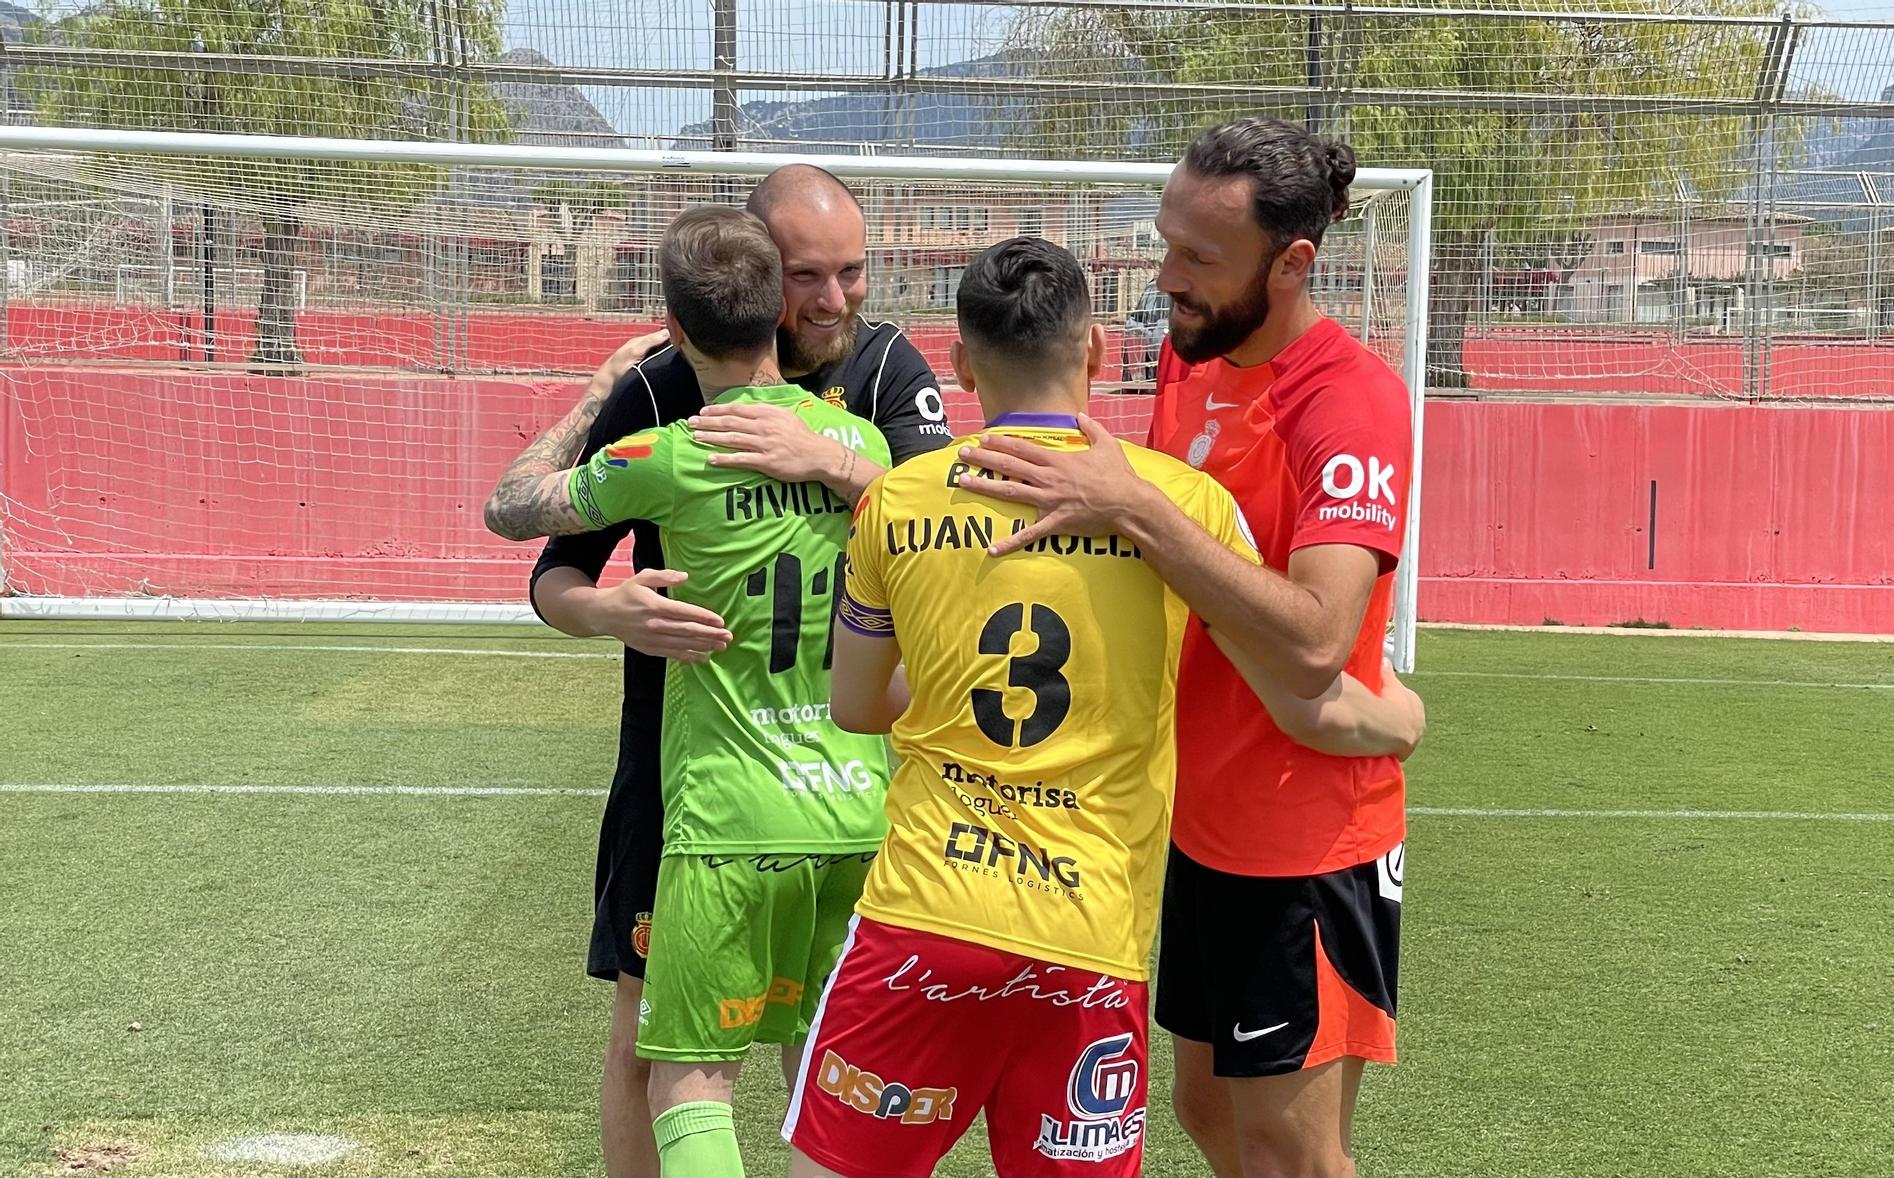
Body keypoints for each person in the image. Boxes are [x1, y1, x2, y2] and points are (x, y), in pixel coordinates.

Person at [782, 236, 1423, 1178]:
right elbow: (1289, 675)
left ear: (959, 362)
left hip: (925, 918)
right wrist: (1397, 722)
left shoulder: (896, 503)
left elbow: (856, 703)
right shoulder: (1182, 507)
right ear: (1092, 355)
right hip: (1089, 938)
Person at [957, 119, 1415, 1178]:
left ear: (1291, 263)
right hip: (1196, 820)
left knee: (1292, 1152)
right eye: (1164, 243)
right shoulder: (1188, 355)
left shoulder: (1345, 402)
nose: (1165, 278)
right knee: (1208, 1112)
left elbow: (1314, 637)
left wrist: (1134, 511)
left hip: (1303, 836)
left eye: (1199, 259)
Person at [491, 163, 952, 1178]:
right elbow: (555, 570)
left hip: (778, 778)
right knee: (643, 1028)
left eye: (852, 272)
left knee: (734, 1061)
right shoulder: (660, 385)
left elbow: (948, 525)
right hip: (697, 771)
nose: (833, 300)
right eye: (807, 276)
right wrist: (604, 610)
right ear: (757, 273)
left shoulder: (881, 375)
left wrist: (833, 463)